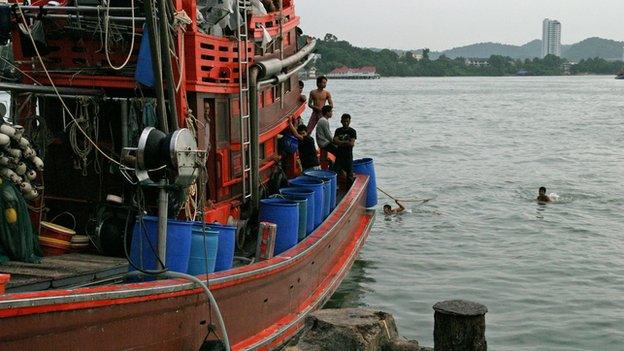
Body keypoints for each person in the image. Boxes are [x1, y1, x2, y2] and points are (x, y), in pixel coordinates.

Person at [333, 113, 357, 185]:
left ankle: (349, 189)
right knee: (336, 173)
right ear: (341, 121)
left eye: (347, 121)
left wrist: (340, 143)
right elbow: (335, 141)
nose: (345, 123)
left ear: (349, 121)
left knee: (349, 175)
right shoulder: (338, 130)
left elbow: (351, 143)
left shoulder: (352, 131)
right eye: (344, 121)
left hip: (348, 156)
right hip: (339, 156)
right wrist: (346, 142)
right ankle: (336, 189)